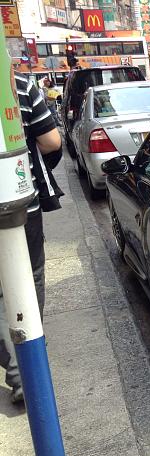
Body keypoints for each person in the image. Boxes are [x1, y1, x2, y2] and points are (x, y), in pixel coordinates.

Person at [0, 72, 63, 404]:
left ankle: (15, 372)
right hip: (21, 201)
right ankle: (31, 357)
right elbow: (52, 142)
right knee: (31, 274)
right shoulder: (18, 84)